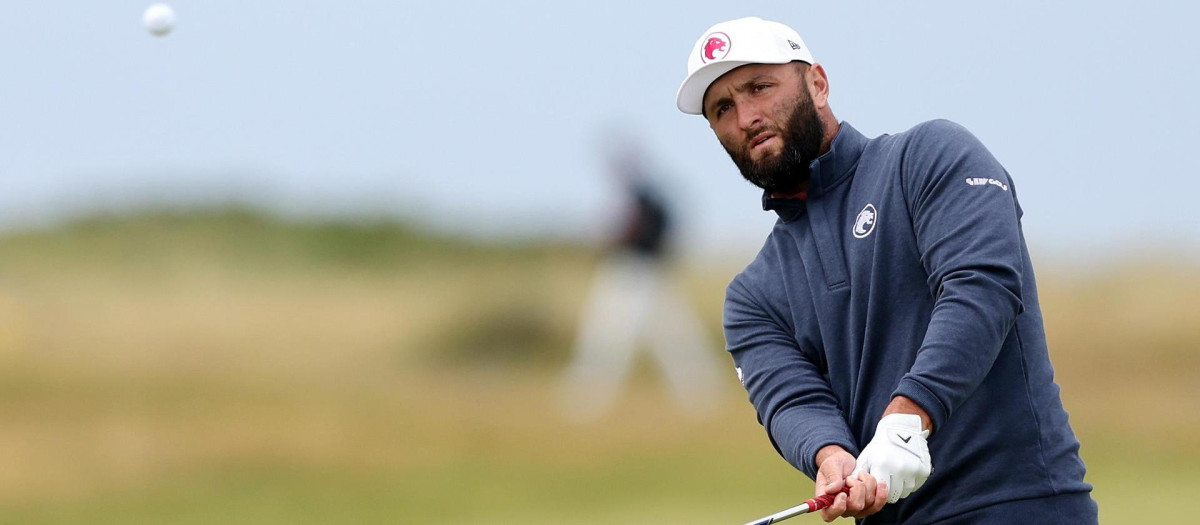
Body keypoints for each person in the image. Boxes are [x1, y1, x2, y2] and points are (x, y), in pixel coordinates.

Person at [676, 17, 1097, 523]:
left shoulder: (928, 157)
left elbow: (981, 287)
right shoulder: (752, 296)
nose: (746, 116)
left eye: (759, 87)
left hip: (1019, 506)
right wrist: (831, 457)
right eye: (723, 108)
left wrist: (908, 417)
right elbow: (792, 400)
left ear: (817, 83)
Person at [560, 140, 721, 422]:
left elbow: (645, 235)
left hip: (637, 275)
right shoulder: (639, 199)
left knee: (616, 339)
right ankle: (587, 397)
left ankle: (701, 395)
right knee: (662, 340)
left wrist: (615, 238)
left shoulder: (646, 200)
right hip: (641, 273)